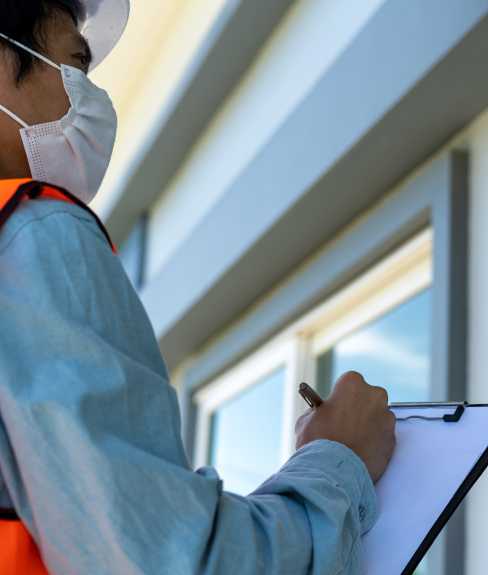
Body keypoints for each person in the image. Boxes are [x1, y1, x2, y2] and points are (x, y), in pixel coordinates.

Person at [0, 1, 396, 573]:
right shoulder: (33, 235)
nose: (91, 98)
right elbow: (172, 562)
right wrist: (340, 459)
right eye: (74, 67)